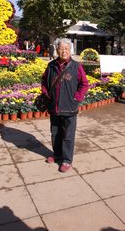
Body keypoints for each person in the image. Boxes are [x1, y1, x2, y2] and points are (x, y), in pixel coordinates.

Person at [41, 38, 89, 173]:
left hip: (70, 107)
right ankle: (57, 155)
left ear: (70, 50)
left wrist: (77, 98)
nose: (64, 51)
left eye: (66, 49)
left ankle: (67, 160)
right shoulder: (51, 66)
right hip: (54, 106)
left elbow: (84, 84)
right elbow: (44, 81)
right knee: (55, 133)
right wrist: (46, 93)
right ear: (57, 50)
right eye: (61, 49)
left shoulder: (76, 66)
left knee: (68, 135)